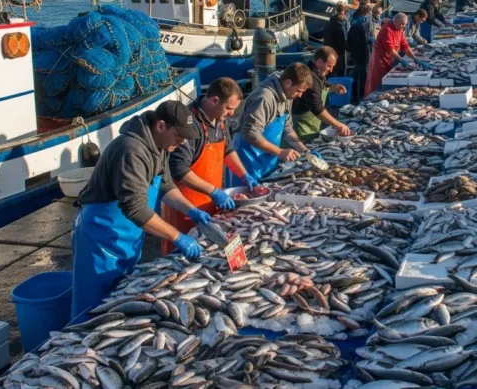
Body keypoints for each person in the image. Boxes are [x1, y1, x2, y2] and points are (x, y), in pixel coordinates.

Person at [72, 100, 207, 317]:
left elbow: (164, 184)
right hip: (100, 234)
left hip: (127, 234)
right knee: (94, 305)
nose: (181, 143)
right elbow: (135, 209)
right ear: (161, 126)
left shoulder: (161, 145)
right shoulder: (131, 151)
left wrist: (190, 209)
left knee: (122, 297)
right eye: (179, 136)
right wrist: (177, 237)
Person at [164, 78, 253, 255]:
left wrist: (244, 175)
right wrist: (214, 191)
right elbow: (179, 170)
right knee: (181, 254)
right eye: (229, 108)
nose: (233, 113)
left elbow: (227, 150)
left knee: (209, 251)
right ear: (214, 101)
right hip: (185, 207)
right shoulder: (189, 124)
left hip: (210, 205)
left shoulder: (220, 120)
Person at [230, 63, 313, 183]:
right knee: (243, 197)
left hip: (267, 157)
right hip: (246, 159)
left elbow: (287, 128)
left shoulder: (288, 96)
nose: (300, 95)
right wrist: (280, 151)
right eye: (299, 91)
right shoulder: (264, 98)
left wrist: (306, 152)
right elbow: (250, 134)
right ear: (288, 82)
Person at [291, 47, 351, 143]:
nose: (331, 70)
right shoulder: (311, 77)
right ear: (319, 62)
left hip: (311, 126)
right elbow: (317, 107)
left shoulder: (317, 72)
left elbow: (322, 83)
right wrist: (338, 125)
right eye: (329, 66)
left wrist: (332, 86)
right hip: (302, 127)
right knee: (301, 153)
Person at [364, 12, 429, 96]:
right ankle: (370, 99)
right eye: (402, 24)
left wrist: (415, 58)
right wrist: (401, 60)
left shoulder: (400, 29)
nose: (404, 26)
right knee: (377, 82)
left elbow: (405, 46)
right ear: (395, 21)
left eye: (405, 24)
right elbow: (390, 50)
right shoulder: (387, 29)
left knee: (387, 82)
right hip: (379, 60)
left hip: (390, 59)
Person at [348, 4, 372, 103]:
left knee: (356, 74)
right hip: (360, 55)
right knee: (362, 76)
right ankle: (361, 96)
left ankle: (354, 95)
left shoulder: (353, 23)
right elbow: (361, 42)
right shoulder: (358, 26)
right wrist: (368, 41)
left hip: (355, 54)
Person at [322, 3, 348, 77]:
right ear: (343, 14)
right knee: (340, 76)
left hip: (328, 55)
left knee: (329, 76)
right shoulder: (340, 27)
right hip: (338, 57)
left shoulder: (327, 24)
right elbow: (344, 44)